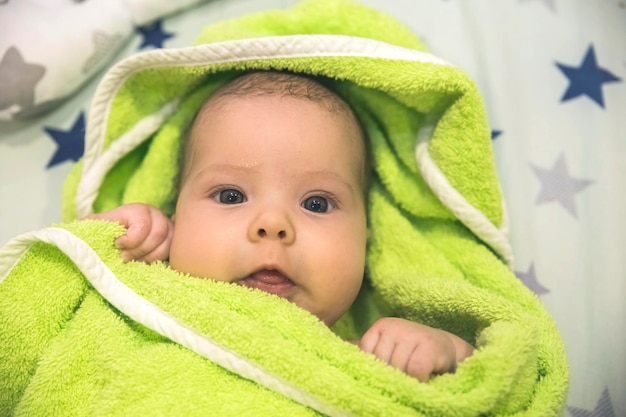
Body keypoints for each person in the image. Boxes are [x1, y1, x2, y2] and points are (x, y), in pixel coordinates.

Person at [87, 71, 474, 382]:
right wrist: (98, 244)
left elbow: (493, 388)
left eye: (316, 203)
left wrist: (445, 353)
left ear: (365, 240)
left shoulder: (364, 365)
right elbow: (51, 292)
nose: (272, 225)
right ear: (176, 218)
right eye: (231, 196)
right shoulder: (138, 303)